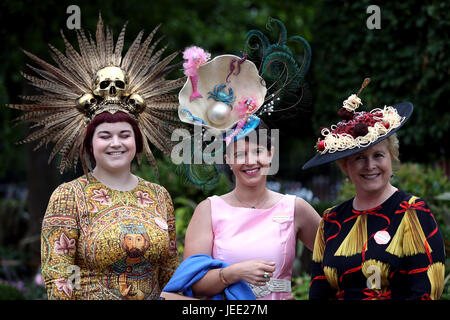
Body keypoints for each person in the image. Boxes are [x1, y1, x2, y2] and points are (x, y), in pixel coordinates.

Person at [7, 16, 185, 299]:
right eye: (105, 135)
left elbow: (170, 275)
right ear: (90, 144)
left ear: (137, 142)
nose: (116, 143)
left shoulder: (159, 196)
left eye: (125, 135)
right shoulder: (69, 196)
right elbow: (59, 283)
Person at [162, 44, 320, 300]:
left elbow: (338, 259)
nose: (250, 161)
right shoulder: (209, 210)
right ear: (228, 159)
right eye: (239, 154)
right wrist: (233, 274)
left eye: (257, 151)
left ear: (270, 154)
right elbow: (194, 285)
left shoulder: (295, 207)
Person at [303, 79, 446, 300]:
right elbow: (319, 292)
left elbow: (426, 293)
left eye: (378, 155)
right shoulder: (330, 220)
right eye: (359, 158)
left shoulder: (412, 213)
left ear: (392, 159)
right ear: (346, 167)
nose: (370, 166)